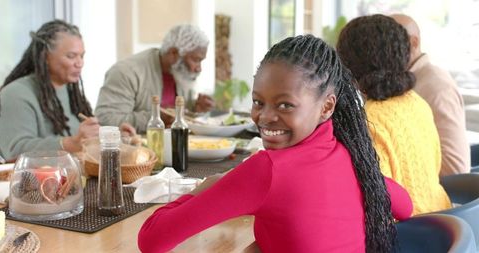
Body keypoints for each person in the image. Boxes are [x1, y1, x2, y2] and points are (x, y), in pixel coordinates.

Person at [138, 35, 413, 252]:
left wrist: (207, 188)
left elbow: (151, 239)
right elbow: (404, 206)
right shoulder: (351, 156)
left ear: (327, 106)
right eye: (258, 102)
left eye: (285, 105)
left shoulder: (267, 170)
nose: (265, 117)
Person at [336, 14, 451, 215]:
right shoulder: (416, 102)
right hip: (443, 221)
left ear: (348, 68)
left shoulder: (369, 123)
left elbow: (379, 208)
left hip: (410, 234)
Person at [0, 20, 134, 160]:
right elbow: (14, 150)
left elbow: (80, 141)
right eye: (71, 56)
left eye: (82, 56)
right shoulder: (15, 93)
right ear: (45, 57)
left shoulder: (70, 92)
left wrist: (111, 136)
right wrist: (71, 143)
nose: (80, 63)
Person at [94, 24, 215, 133]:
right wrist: (156, 117)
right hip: (138, 153)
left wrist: (195, 109)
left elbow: (179, 119)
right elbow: (106, 119)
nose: (198, 68)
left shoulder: (180, 74)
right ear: (173, 53)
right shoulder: (127, 72)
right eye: (196, 60)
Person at [390, 14, 470, 176]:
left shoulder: (436, 86)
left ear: (413, 43)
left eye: (389, 43)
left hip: (433, 195)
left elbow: (455, 169)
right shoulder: (400, 81)